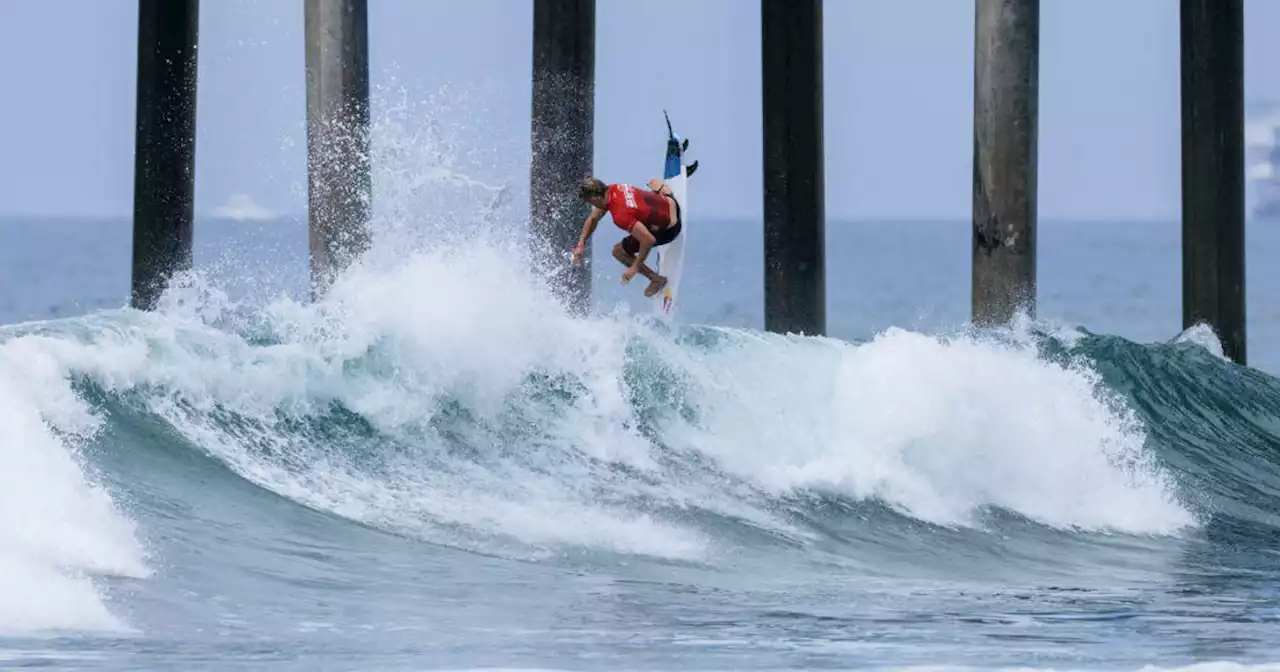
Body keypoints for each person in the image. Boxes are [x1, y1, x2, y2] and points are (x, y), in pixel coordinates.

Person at [571, 176, 682, 298]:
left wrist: (634, 267)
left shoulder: (620, 215)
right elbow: (593, 219)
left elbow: (648, 240)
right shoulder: (614, 188)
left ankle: (656, 279)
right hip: (671, 203)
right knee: (643, 203)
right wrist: (581, 243)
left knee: (618, 251)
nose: (592, 205)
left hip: (670, 230)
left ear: (596, 198)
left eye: (590, 202)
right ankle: (663, 190)